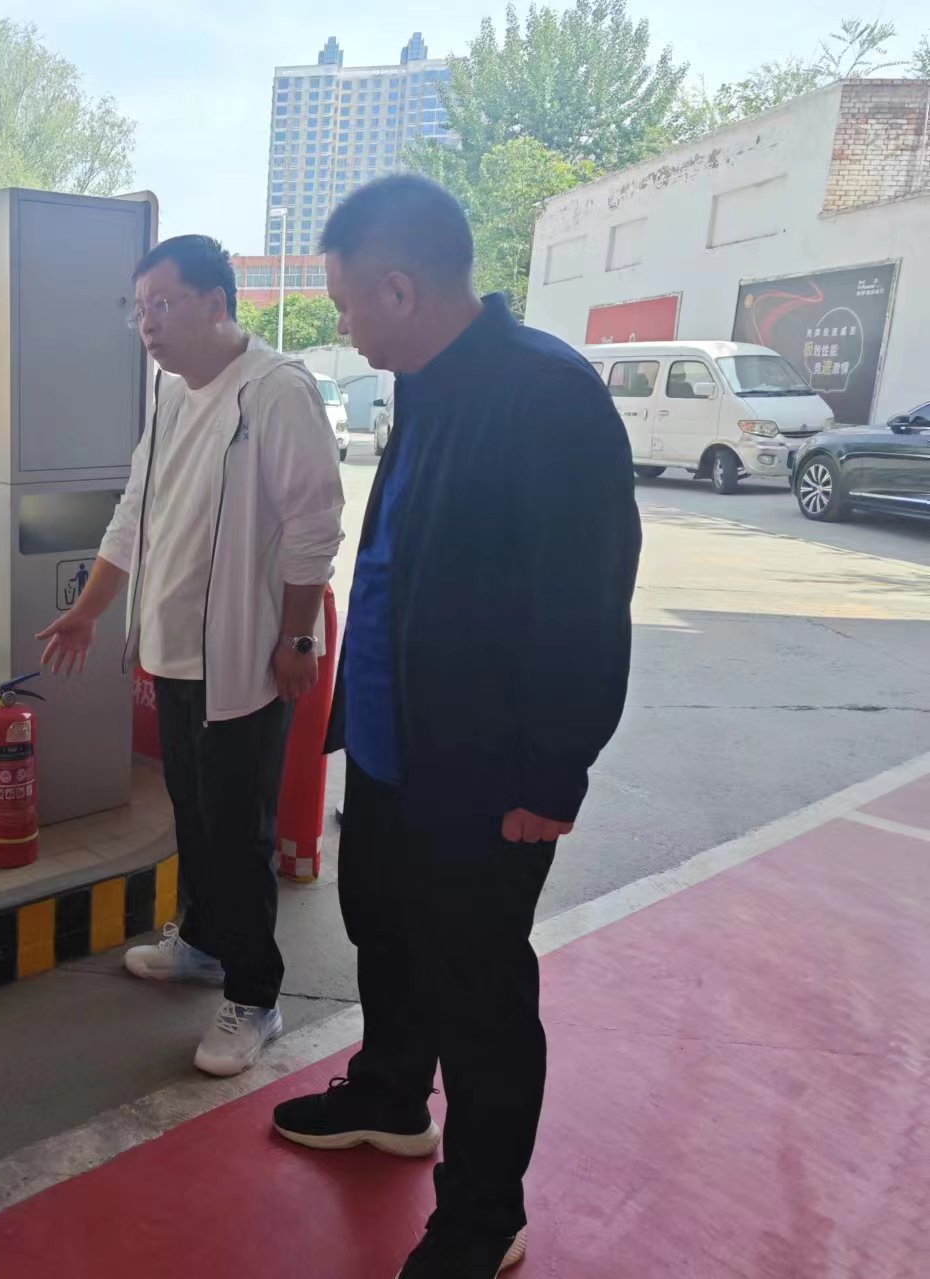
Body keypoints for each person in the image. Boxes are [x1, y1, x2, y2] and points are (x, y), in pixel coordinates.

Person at [269, 176, 640, 1278]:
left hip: (485, 771)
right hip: (395, 747)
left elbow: (584, 602)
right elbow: (395, 562)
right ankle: (390, 1095)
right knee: (384, 928)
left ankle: (484, 1212)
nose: (343, 326)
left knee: (478, 988)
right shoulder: (421, 386)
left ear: (399, 287)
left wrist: (552, 771)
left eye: (347, 304)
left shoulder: (544, 395)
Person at [38, 235, 344, 1078]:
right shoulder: (171, 394)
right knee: (194, 814)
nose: (147, 324)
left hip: (245, 661)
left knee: (239, 834)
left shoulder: (275, 391)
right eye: (139, 309)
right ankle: (204, 943)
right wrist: (89, 612)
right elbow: (134, 511)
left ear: (217, 302)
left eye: (163, 304)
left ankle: (256, 995)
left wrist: (297, 638)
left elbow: (315, 527)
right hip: (173, 653)